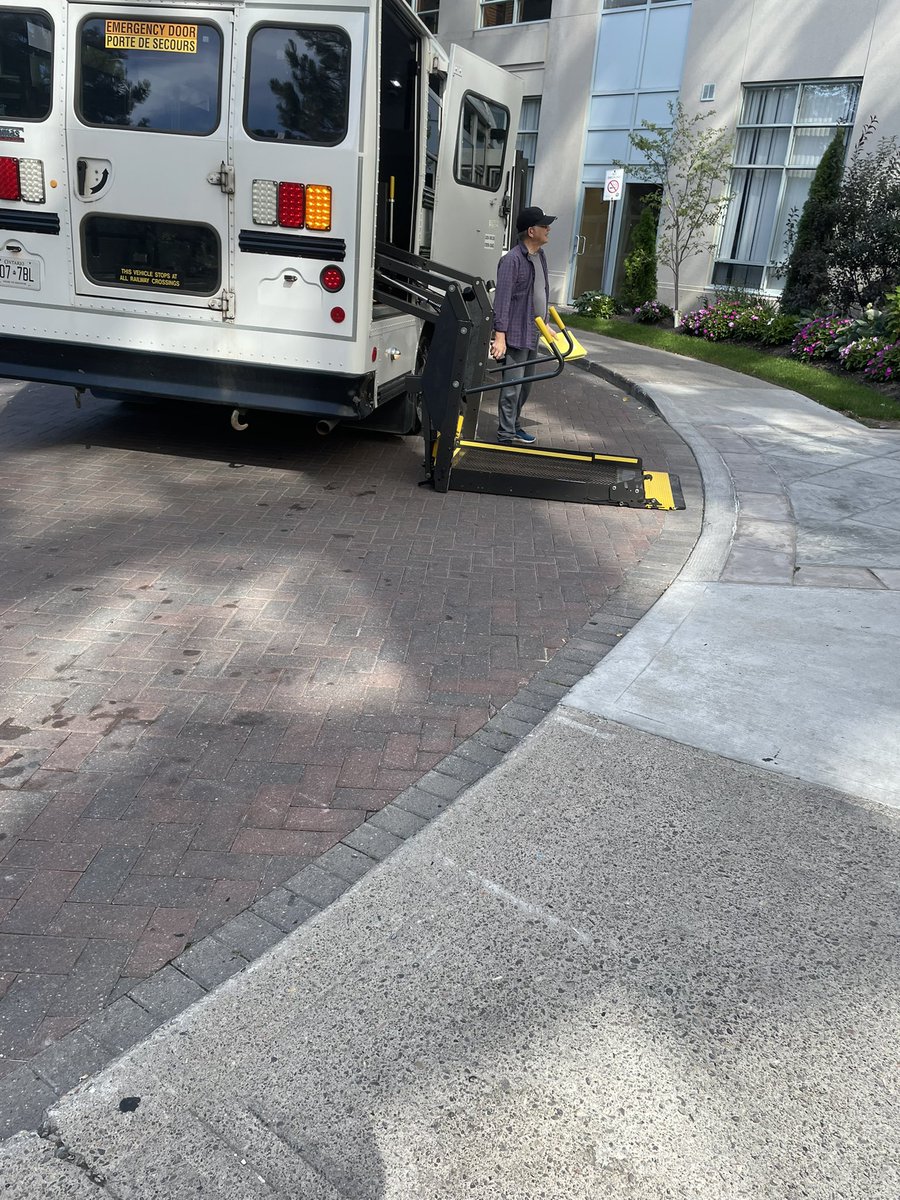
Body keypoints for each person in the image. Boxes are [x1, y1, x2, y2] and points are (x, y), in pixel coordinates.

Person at [489, 205, 556, 444]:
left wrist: (545, 324)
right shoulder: (512, 261)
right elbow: (503, 299)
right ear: (531, 231)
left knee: (525, 386)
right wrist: (500, 336)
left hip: (533, 331)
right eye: (544, 225)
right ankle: (506, 433)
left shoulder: (541, 256)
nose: (548, 229)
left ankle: (514, 426)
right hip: (516, 332)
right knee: (512, 387)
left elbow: (540, 293)